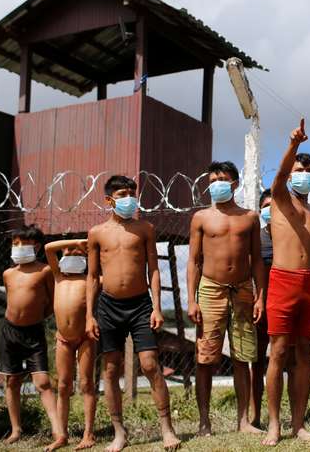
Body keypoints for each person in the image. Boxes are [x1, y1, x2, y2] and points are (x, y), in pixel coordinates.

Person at [86, 175, 180, 451]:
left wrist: (157, 307)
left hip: (140, 305)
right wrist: (90, 315)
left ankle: (167, 428)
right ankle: (119, 431)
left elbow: (153, 269)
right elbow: (92, 277)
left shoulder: (145, 228)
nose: (129, 198)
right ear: (109, 200)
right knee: (111, 369)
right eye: (122, 194)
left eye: (131, 193)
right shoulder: (97, 233)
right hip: (109, 306)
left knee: (150, 364)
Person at [263, 118, 310, 446]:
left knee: (306, 352)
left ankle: (298, 423)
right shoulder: (280, 199)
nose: (303, 174)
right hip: (282, 280)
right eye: (298, 170)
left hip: (309, 284)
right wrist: (294, 145)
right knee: (278, 352)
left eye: (309, 170)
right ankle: (274, 424)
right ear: (290, 175)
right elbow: (278, 176)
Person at [187, 161, 266, 436]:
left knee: (243, 356)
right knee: (205, 358)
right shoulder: (201, 218)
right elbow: (194, 261)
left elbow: (256, 259)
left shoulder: (250, 217)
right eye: (212, 179)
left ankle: (243, 421)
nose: (216, 183)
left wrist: (260, 297)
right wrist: (192, 299)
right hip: (210, 289)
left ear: (234, 184)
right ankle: (204, 422)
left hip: (243, 290)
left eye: (222, 179)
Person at [0, 225, 63, 450]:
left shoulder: (44, 271)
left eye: (23, 244)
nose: (18, 248)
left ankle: (57, 430)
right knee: (12, 380)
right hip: (9, 332)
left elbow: (52, 302)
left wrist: (38, 316)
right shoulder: (8, 274)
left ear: (35, 246)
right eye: (14, 244)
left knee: (43, 382)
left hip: (34, 332)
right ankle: (16, 429)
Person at [250, 189, 297, 429]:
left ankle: (289, 418)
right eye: (266, 206)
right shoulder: (255, 238)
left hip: (286, 305)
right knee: (257, 363)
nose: (270, 210)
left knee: (289, 361)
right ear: (260, 211)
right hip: (261, 306)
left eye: (274, 205)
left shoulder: (291, 235)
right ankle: (256, 417)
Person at [45, 238, 97, 450]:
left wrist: (87, 247)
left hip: (85, 338)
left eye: (78, 255)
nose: (72, 256)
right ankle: (61, 434)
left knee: (86, 384)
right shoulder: (57, 276)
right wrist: (76, 241)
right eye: (68, 254)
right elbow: (49, 248)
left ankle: (88, 433)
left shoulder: (90, 279)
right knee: (63, 385)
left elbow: (97, 260)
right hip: (63, 339)